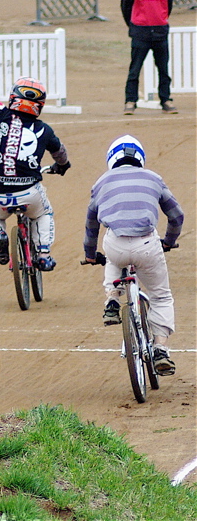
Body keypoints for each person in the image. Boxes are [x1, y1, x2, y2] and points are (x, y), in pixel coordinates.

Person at [0, 43, 71, 271]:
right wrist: (63, 165)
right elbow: (60, 152)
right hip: (30, 193)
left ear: (13, 98)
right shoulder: (45, 130)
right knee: (44, 213)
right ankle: (43, 254)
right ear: (39, 105)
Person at [83, 135, 183, 375]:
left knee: (111, 250)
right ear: (140, 158)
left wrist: (89, 254)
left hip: (116, 244)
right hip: (147, 244)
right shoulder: (154, 178)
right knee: (160, 297)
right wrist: (169, 241)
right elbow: (176, 216)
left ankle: (112, 300)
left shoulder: (101, 182)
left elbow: (91, 225)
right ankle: (160, 349)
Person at [121, 0, 177, 114]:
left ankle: (165, 100)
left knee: (163, 69)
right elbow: (126, 5)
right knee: (135, 69)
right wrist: (133, 25)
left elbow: (168, 5)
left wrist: (160, 19)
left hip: (160, 32)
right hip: (140, 31)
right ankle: (130, 100)